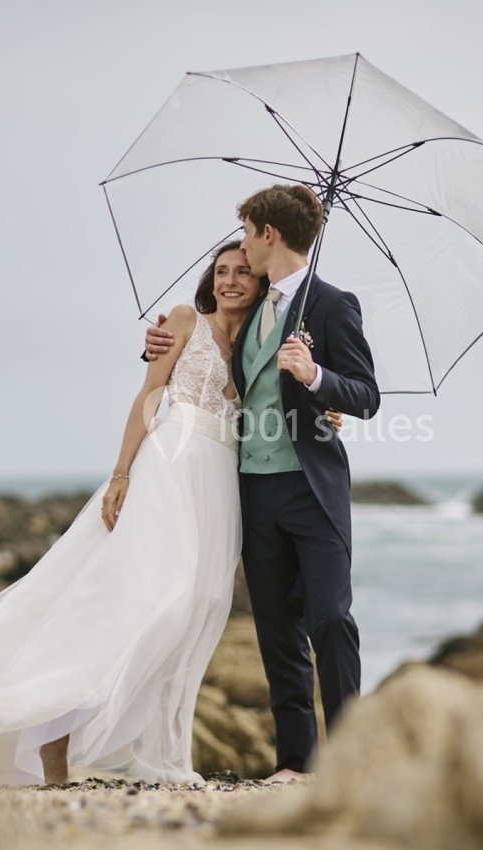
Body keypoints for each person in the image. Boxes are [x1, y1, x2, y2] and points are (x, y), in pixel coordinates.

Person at [0, 241, 264, 785]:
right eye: (222, 271)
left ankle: (167, 756)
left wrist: (325, 410)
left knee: (196, 611)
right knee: (141, 600)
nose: (231, 281)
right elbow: (147, 397)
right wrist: (121, 474)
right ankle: (49, 738)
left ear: (258, 283)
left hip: (219, 484)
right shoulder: (183, 320)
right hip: (169, 469)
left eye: (243, 273)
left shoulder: (259, 345)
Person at [146, 184, 380, 783]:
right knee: (277, 630)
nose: (242, 248)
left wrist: (317, 374)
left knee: (330, 618)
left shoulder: (332, 305)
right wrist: (157, 341)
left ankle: (350, 764)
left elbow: (367, 396)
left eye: (247, 232)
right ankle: (296, 764)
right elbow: (207, 348)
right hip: (251, 488)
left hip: (311, 488)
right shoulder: (251, 310)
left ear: (268, 235)